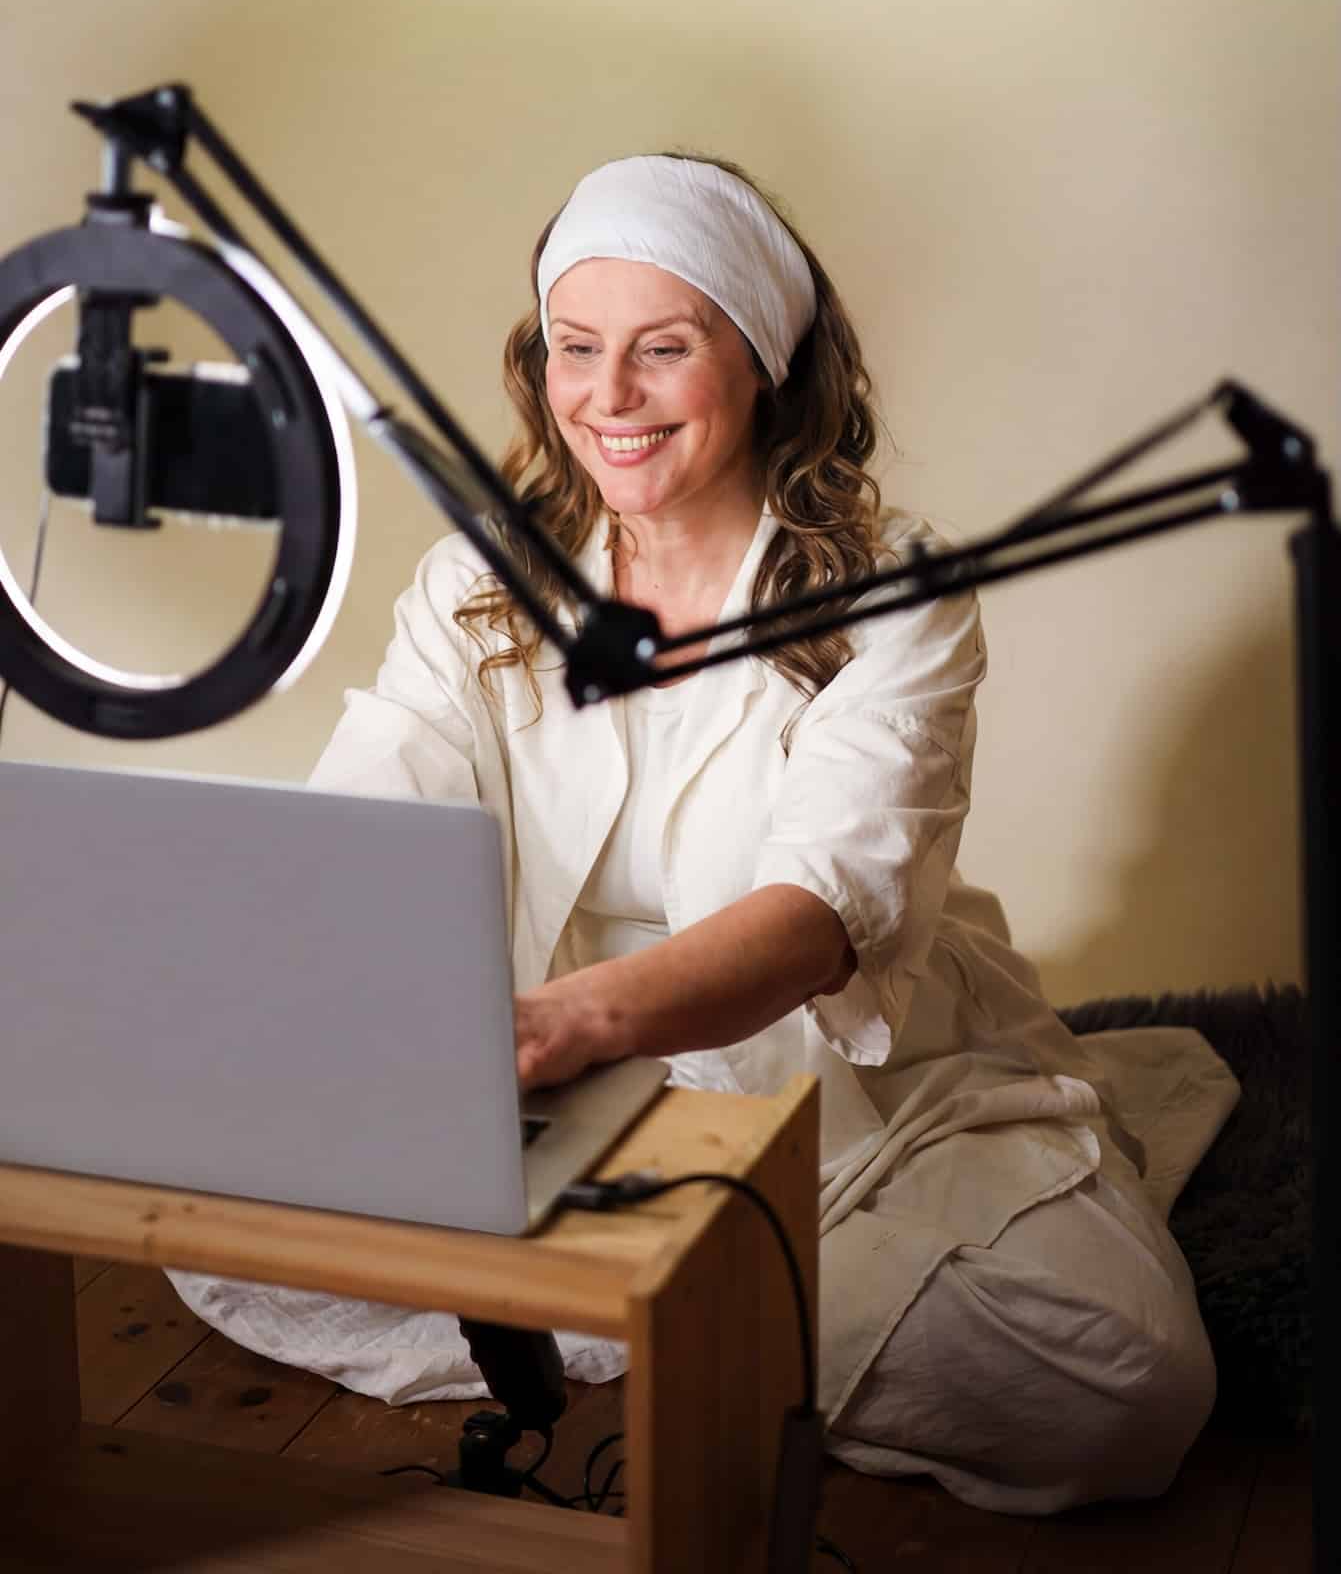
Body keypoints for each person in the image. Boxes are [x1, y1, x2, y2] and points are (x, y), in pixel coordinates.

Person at [167, 153, 1234, 1514]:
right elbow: (369, 827)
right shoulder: (476, 583)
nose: (605, 398)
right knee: (211, 1239)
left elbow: (817, 916)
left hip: (843, 1105)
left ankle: (608, 1316)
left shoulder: (897, 595)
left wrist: (561, 1026)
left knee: (1120, 1383)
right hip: (528, 1095)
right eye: (575, 347)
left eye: (661, 349)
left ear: (764, 369)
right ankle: (672, 1320)